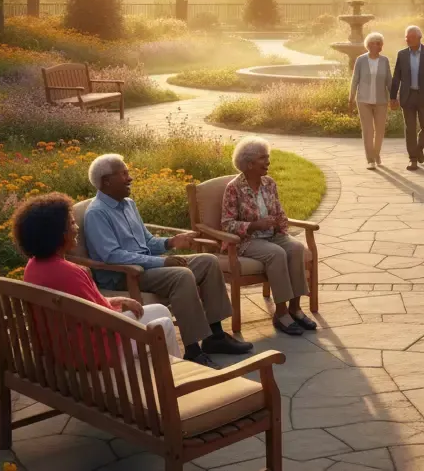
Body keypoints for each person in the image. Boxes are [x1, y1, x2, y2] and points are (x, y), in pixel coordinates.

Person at [82, 153, 252, 367]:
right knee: (181, 276)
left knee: (208, 262)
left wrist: (171, 242)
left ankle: (215, 337)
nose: (130, 178)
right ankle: (193, 349)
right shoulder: (97, 213)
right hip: (124, 275)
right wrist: (162, 262)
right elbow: (112, 256)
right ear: (107, 181)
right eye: (123, 174)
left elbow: (147, 241)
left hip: (146, 266)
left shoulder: (128, 204)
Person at [14, 192, 184, 362]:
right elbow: (103, 318)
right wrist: (116, 309)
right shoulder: (71, 273)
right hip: (94, 351)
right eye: (72, 223)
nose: (77, 228)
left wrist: (116, 300)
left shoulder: (33, 267)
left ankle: (161, 369)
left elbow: (86, 304)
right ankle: (173, 375)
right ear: (59, 233)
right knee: (163, 325)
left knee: (160, 310)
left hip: (65, 343)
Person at [222, 136, 317, 336]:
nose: (268, 162)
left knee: (296, 248)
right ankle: (281, 313)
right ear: (249, 164)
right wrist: (254, 225)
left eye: (268, 157)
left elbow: (280, 212)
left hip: (272, 235)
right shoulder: (234, 188)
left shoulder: (269, 183)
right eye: (263, 158)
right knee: (276, 253)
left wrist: (280, 225)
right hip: (247, 240)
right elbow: (227, 224)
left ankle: (295, 308)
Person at [389, 24, 424, 171]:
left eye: (411, 37)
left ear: (419, 38)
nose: (408, 40)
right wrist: (393, 96)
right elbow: (396, 77)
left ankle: (418, 149)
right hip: (407, 96)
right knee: (410, 129)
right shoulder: (402, 54)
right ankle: (413, 159)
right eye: (406, 37)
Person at [348, 31, 392, 169]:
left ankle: (376, 153)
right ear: (369, 45)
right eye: (375, 43)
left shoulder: (384, 60)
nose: (378, 46)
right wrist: (351, 97)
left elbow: (389, 80)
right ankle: (370, 159)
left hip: (381, 101)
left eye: (379, 43)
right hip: (363, 101)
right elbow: (355, 79)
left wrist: (394, 97)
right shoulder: (361, 60)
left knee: (380, 130)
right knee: (368, 130)